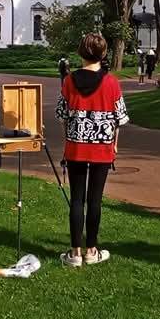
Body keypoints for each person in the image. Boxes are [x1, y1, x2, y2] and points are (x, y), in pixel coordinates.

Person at [55, 34, 129, 267]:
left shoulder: (68, 81)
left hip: (76, 146)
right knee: (95, 200)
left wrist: (71, 134)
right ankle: (92, 250)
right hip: (102, 148)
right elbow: (120, 118)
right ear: (104, 54)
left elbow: (62, 116)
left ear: (80, 53)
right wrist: (114, 142)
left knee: (77, 199)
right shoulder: (112, 83)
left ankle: (75, 252)